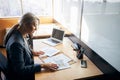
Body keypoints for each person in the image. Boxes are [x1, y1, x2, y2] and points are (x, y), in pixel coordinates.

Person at [4, 12, 58, 80]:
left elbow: (23, 48)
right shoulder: (16, 44)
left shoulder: (19, 33)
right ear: (26, 24)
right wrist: (43, 65)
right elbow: (20, 70)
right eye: (34, 25)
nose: (36, 29)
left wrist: (32, 51)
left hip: (23, 67)